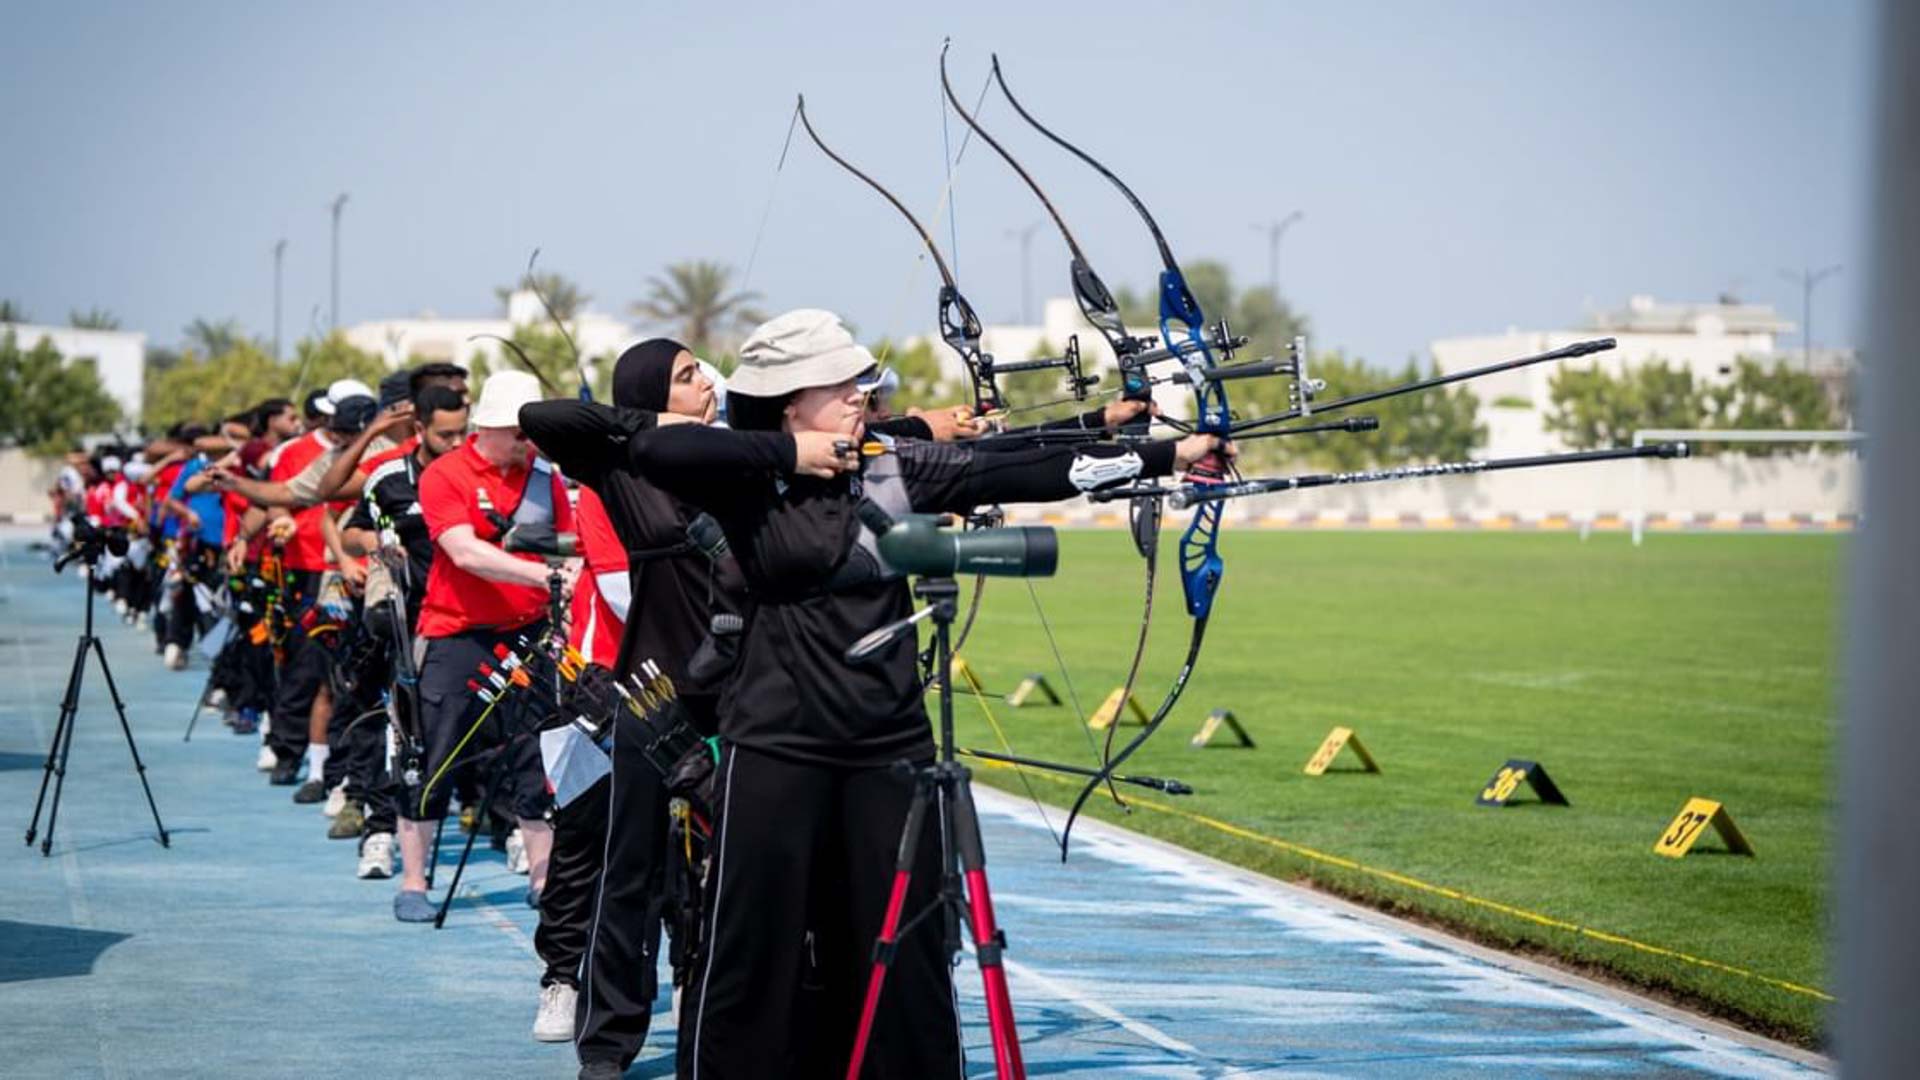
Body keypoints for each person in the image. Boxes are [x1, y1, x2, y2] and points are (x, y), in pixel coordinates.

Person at [534, 309, 1226, 1076]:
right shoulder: (742, 472)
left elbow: (1012, 466)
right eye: (840, 383)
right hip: (775, 744)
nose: (862, 391)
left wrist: (1167, 452)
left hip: (889, 747)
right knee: (751, 945)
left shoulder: (893, 463)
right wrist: (789, 451)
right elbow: (655, 444)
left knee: (904, 951)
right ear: (792, 400)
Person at [522, 339, 747, 1077]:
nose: (708, 380)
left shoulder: (738, 454)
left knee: (745, 865)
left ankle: (727, 1016)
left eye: (701, 369)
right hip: (653, 687)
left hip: (742, 686)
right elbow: (543, 416)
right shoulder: (624, 466)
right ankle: (610, 1039)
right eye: (687, 376)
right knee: (631, 870)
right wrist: (648, 418)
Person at [394, 370, 572, 924]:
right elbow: (464, 552)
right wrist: (545, 577)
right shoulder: (446, 474)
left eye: (533, 433)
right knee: (436, 754)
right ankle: (414, 880)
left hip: (529, 635)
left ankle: (543, 879)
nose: (527, 443)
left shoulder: (548, 479)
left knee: (534, 758)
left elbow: (575, 548)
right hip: (456, 634)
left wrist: (564, 584)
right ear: (487, 428)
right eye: (519, 432)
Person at [338, 385, 470, 880]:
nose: (457, 443)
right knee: (397, 726)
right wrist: (376, 542)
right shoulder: (389, 477)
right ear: (419, 430)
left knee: (477, 727)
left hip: (466, 623)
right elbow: (351, 528)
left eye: (463, 432)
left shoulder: (478, 470)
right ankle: (379, 832)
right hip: (407, 619)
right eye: (445, 434)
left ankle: (512, 828)